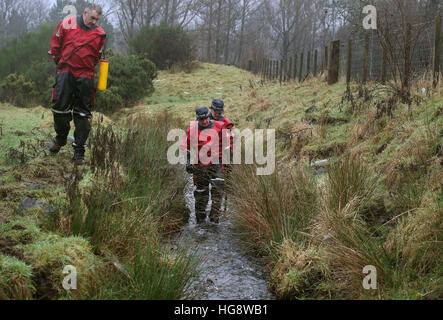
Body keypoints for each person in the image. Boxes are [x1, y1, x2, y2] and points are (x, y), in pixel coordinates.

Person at [47, 3, 106, 166]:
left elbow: (97, 57)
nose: (94, 21)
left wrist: (86, 70)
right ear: (85, 13)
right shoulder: (67, 24)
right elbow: (55, 45)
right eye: (92, 18)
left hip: (86, 76)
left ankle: (79, 151)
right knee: (60, 109)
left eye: (97, 19)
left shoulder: (100, 34)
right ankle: (60, 139)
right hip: (65, 73)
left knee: (83, 115)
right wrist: (60, 62)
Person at [181, 107, 229, 224]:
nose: (205, 121)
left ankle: (214, 219)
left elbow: (227, 146)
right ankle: (200, 220)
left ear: (209, 116)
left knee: (218, 191)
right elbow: (186, 148)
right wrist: (188, 162)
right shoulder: (192, 130)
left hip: (217, 163)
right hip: (200, 164)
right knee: (201, 193)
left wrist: (229, 163)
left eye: (207, 118)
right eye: (202, 120)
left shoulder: (220, 126)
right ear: (197, 119)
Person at [209, 99, 234, 173]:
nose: (217, 114)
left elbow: (230, 141)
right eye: (215, 112)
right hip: (204, 155)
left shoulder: (226, 123)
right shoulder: (203, 120)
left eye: (219, 113)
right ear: (211, 109)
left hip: (219, 156)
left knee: (219, 180)